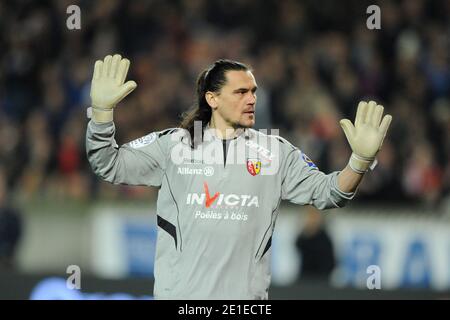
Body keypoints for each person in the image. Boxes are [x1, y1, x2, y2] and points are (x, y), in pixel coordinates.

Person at [85, 54, 392, 299]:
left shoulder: (275, 152)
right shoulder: (175, 145)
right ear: (212, 99)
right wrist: (100, 114)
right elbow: (108, 163)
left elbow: (330, 193)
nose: (251, 99)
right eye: (241, 92)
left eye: (254, 92)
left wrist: (360, 161)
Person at [295, 206, 335, 283]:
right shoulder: (304, 236)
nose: (311, 220)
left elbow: (330, 263)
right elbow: (297, 244)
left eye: (314, 217)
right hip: (304, 278)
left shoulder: (324, 238)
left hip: (320, 280)